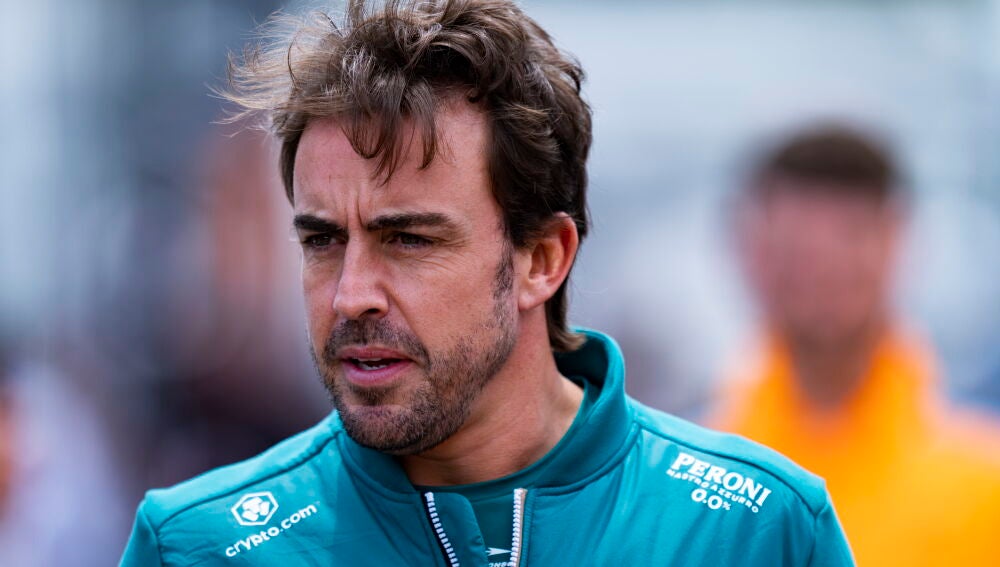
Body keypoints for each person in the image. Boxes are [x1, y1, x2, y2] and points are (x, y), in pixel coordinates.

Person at [121, 1, 853, 565]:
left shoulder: (759, 529)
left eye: (409, 239)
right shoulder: (198, 545)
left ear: (542, 259)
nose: (350, 295)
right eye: (323, 241)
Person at [709, 125, 1000, 566]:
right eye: (799, 246)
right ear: (751, 251)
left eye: (849, 236)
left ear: (896, 240)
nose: (825, 266)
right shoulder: (686, 483)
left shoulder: (985, 489)